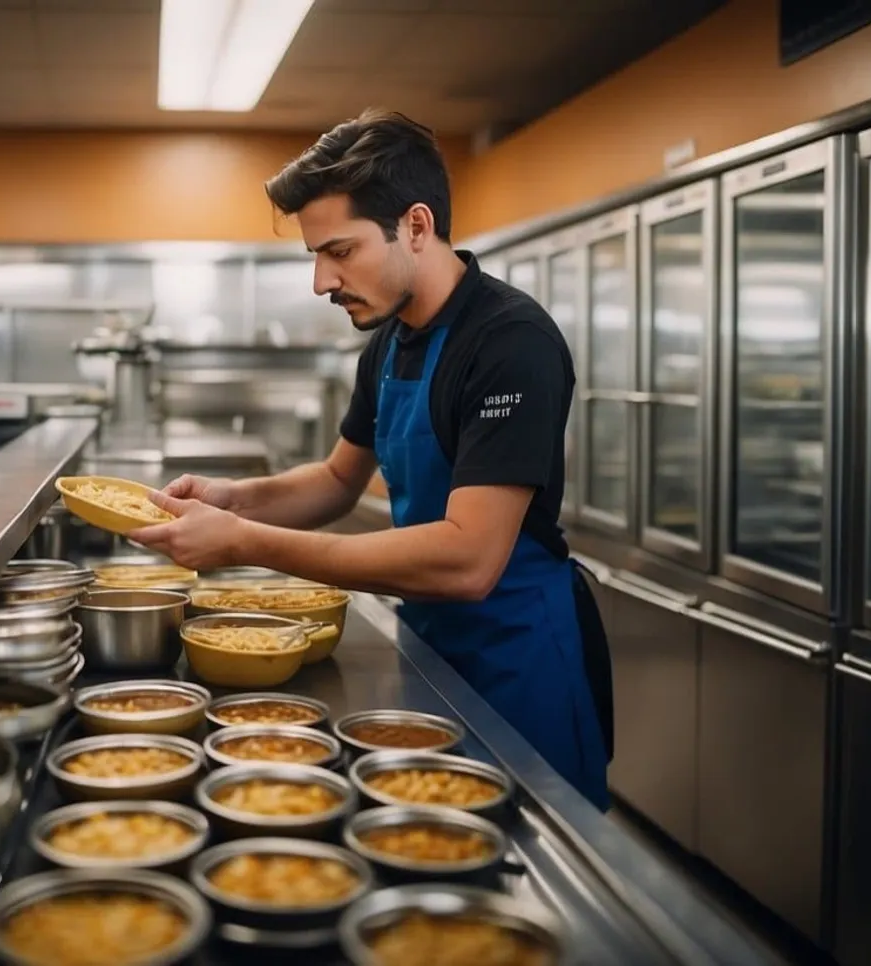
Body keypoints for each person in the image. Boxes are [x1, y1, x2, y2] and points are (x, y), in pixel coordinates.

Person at [129, 109, 612, 811]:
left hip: (519, 663)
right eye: (315, 256)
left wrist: (245, 542)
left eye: (340, 251)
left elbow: (469, 559)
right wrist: (234, 498)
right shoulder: (388, 342)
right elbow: (335, 480)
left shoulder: (510, 342)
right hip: (431, 647)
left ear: (415, 225)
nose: (321, 281)